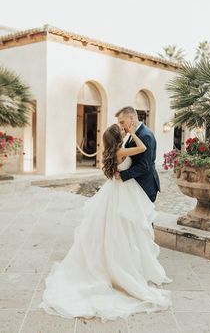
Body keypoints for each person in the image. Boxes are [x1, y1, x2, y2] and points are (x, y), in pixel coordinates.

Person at [39, 122, 172, 321]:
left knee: (110, 229)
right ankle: (121, 268)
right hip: (123, 193)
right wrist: (134, 133)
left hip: (113, 190)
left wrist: (125, 133)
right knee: (124, 230)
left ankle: (113, 263)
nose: (124, 130)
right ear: (118, 137)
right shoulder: (122, 150)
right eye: (120, 131)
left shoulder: (110, 151)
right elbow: (143, 149)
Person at [115, 106, 160, 203]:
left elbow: (144, 166)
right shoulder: (132, 133)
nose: (121, 126)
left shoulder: (145, 135)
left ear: (131, 118)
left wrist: (122, 175)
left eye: (122, 122)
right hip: (135, 185)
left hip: (145, 185)